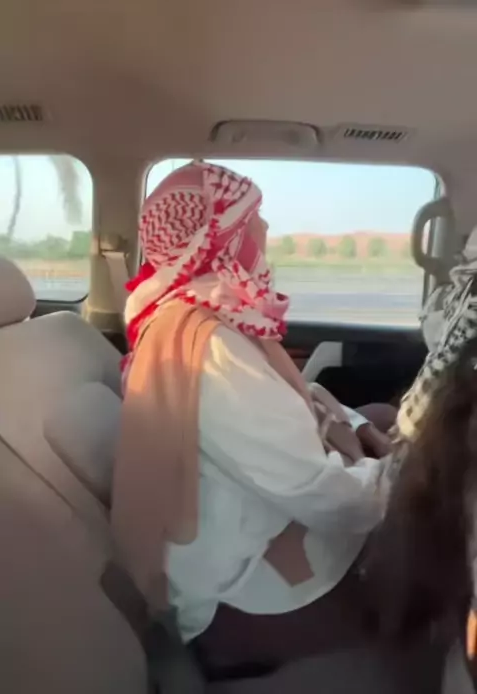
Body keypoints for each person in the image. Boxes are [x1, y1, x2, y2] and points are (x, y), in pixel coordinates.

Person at [111, 160, 393, 676]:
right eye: (252, 219)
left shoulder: (189, 317)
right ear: (221, 239)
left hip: (257, 534)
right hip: (243, 596)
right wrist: (401, 479)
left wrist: (358, 430)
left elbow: (294, 399)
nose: (264, 230)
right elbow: (316, 490)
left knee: (381, 416)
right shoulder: (208, 345)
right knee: (429, 583)